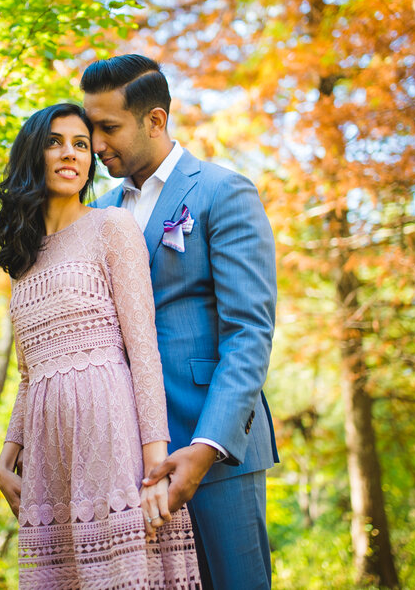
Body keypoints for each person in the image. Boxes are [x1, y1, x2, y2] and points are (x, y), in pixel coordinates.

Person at [82, 55, 278, 589]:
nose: (96, 145)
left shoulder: (222, 192)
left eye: (108, 128)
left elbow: (249, 332)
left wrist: (208, 444)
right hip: (127, 457)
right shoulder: (95, 214)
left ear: (155, 120)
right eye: (90, 127)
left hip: (213, 450)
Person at [0, 103, 201, 589]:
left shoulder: (111, 226)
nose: (71, 154)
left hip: (110, 436)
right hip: (50, 455)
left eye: (81, 144)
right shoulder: (22, 260)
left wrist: (155, 467)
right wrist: (7, 454)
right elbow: (30, 373)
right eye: (56, 142)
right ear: (32, 154)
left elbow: (143, 350)